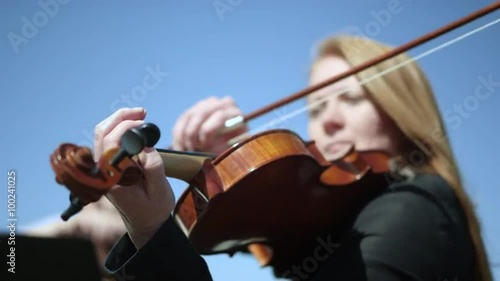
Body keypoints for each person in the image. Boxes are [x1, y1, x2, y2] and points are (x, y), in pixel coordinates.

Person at [92, 35, 492, 281]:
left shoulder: (418, 204)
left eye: (351, 99)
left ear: (403, 115)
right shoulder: (335, 221)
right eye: (316, 107)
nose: (329, 121)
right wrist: (237, 171)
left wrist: (153, 232)